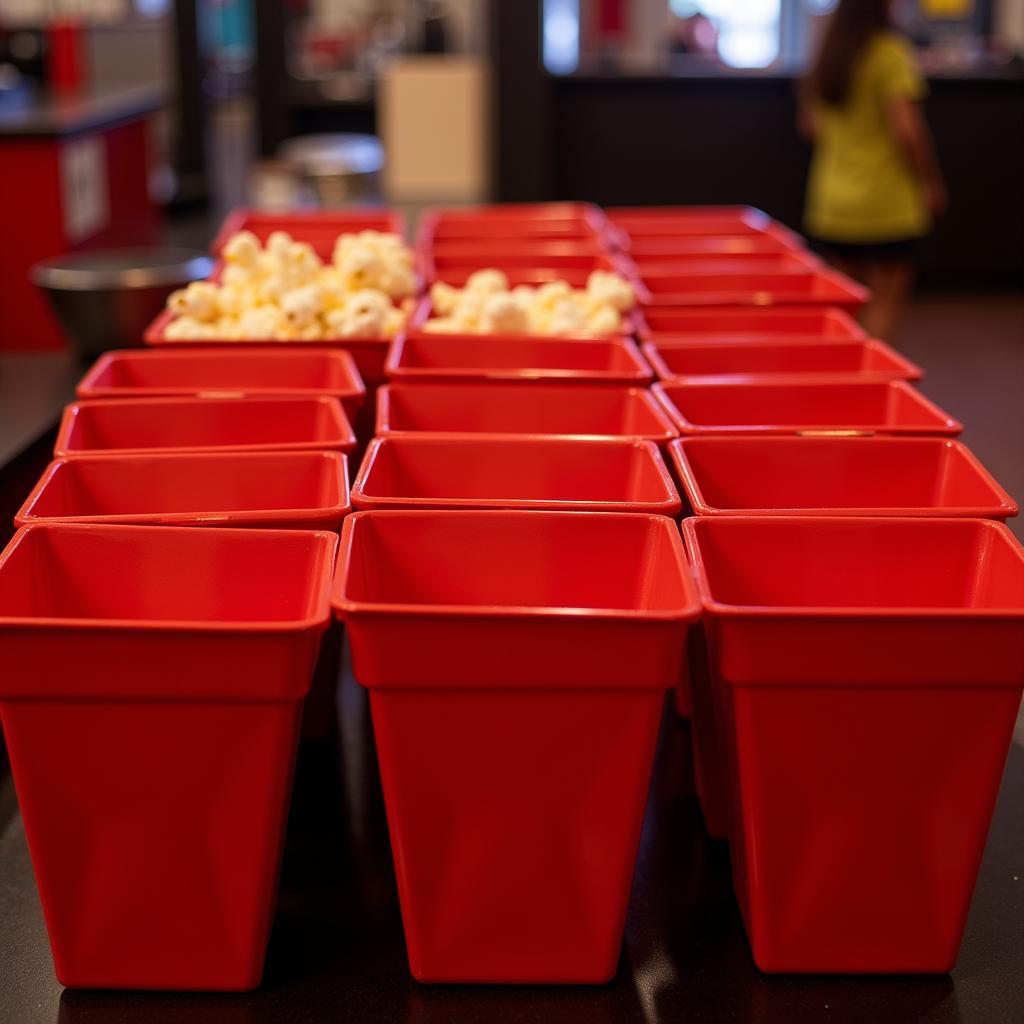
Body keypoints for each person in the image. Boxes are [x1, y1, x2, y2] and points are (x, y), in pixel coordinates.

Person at [801, 0, 946, 341]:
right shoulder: (890, 52)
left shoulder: (827, 55)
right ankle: (870, 378)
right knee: (885, 303)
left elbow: (811, 126)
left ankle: (841, 380)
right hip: (886, 202)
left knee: (844, 307)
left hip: (833, 201)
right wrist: (930, 181)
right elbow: (908, 131)